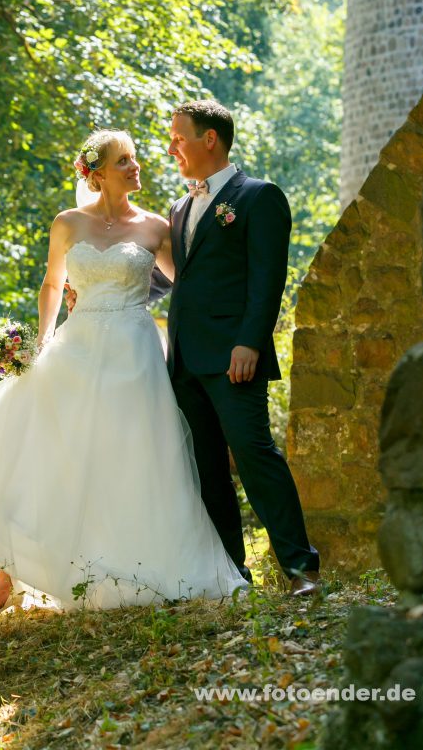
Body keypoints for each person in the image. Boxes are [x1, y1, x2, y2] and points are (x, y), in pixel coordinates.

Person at [0, 129, 248, 614]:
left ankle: (131, 571)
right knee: (59, 456)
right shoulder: (67, 224)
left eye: (134, 160)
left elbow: (187, 286)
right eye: (124, 161)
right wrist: (44, 339)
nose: (136, 167)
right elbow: (52, 284)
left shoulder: (155, 228)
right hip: (79, 346)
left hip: (135, 353)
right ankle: (9, 582)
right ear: (98, 173)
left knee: (133, 459)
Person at [164, 100, 320, 596]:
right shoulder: (179, 207)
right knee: (207, 469)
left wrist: (250, 341)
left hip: (235, 357)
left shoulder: (259, 196)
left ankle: (301, 570)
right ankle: (232, 576)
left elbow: (267, 278)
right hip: (185, 360)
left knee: (255, 456)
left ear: (209, 139)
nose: (172, 149)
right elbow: (179, 280)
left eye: (178, 138)